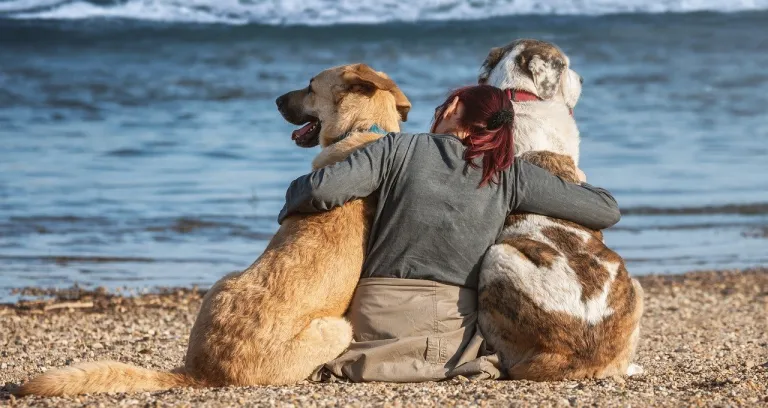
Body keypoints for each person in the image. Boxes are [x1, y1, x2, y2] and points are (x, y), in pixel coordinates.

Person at [278, 85, 621, 382]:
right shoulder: (510, 175)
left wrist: (288, 206)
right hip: (448, 338)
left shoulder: (397, 148)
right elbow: (605, 209)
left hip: (373, 320)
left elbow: (319, 191)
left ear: (454, 108)